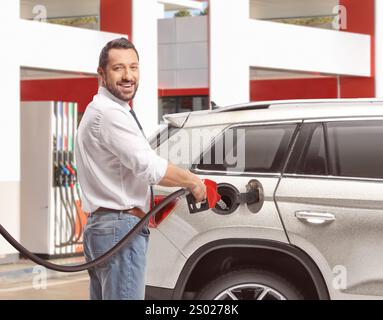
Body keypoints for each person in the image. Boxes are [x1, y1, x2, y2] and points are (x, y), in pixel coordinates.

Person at [75, 37, 206, 300]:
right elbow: (148, 167)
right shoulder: (109, 113)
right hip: (119, 228)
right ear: (101, 74)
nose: (128, 76)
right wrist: (192, 181)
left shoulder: (102, 110)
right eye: (118, 68)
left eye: (133, 67)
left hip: (106, 227)